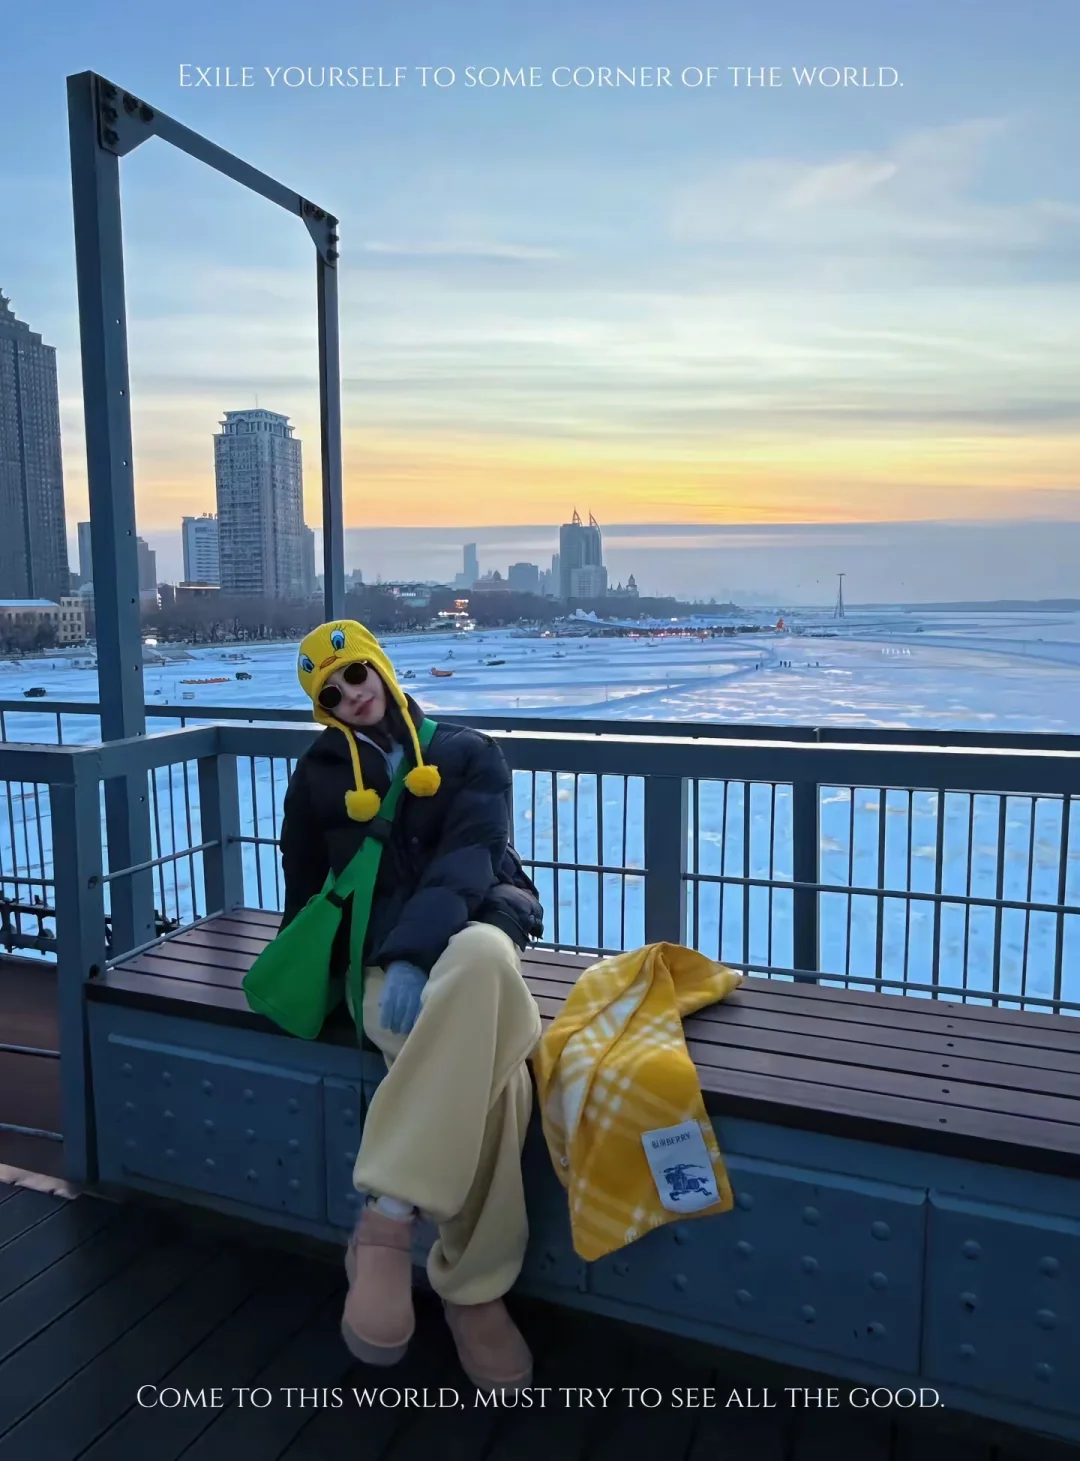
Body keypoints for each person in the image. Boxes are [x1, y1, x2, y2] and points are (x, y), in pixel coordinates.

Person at [278, 619, 545, 1394]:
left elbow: (470, 858)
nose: (351, 695)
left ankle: (388, 1216)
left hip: (468, 935)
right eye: (331, 693)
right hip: (374, 968)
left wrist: (413, 955)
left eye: (356, 674)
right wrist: (324, 968)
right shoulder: (317, 774)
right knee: (502, 1078)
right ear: (323, 708)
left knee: (484, 960)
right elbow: (304, 883)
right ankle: (474, 1290)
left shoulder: (466, 752)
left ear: (381, 667)